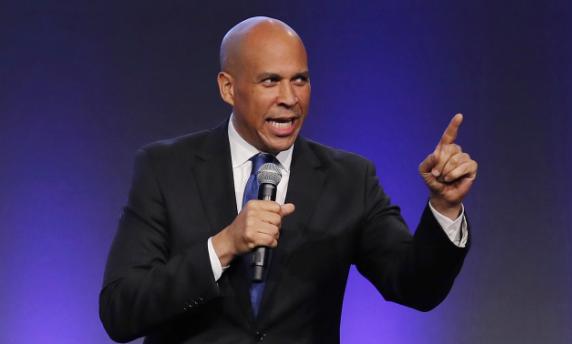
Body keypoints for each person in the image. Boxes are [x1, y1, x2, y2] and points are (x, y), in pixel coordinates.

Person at [100, 16, 478, 344]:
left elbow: (416, 286)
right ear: (228, 88)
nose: (290, 98)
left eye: (300, 80)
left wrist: (444, 207)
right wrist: (223, 246)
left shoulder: (350, 179)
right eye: (270, 81)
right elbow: (121, 310)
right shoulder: (166, 169)